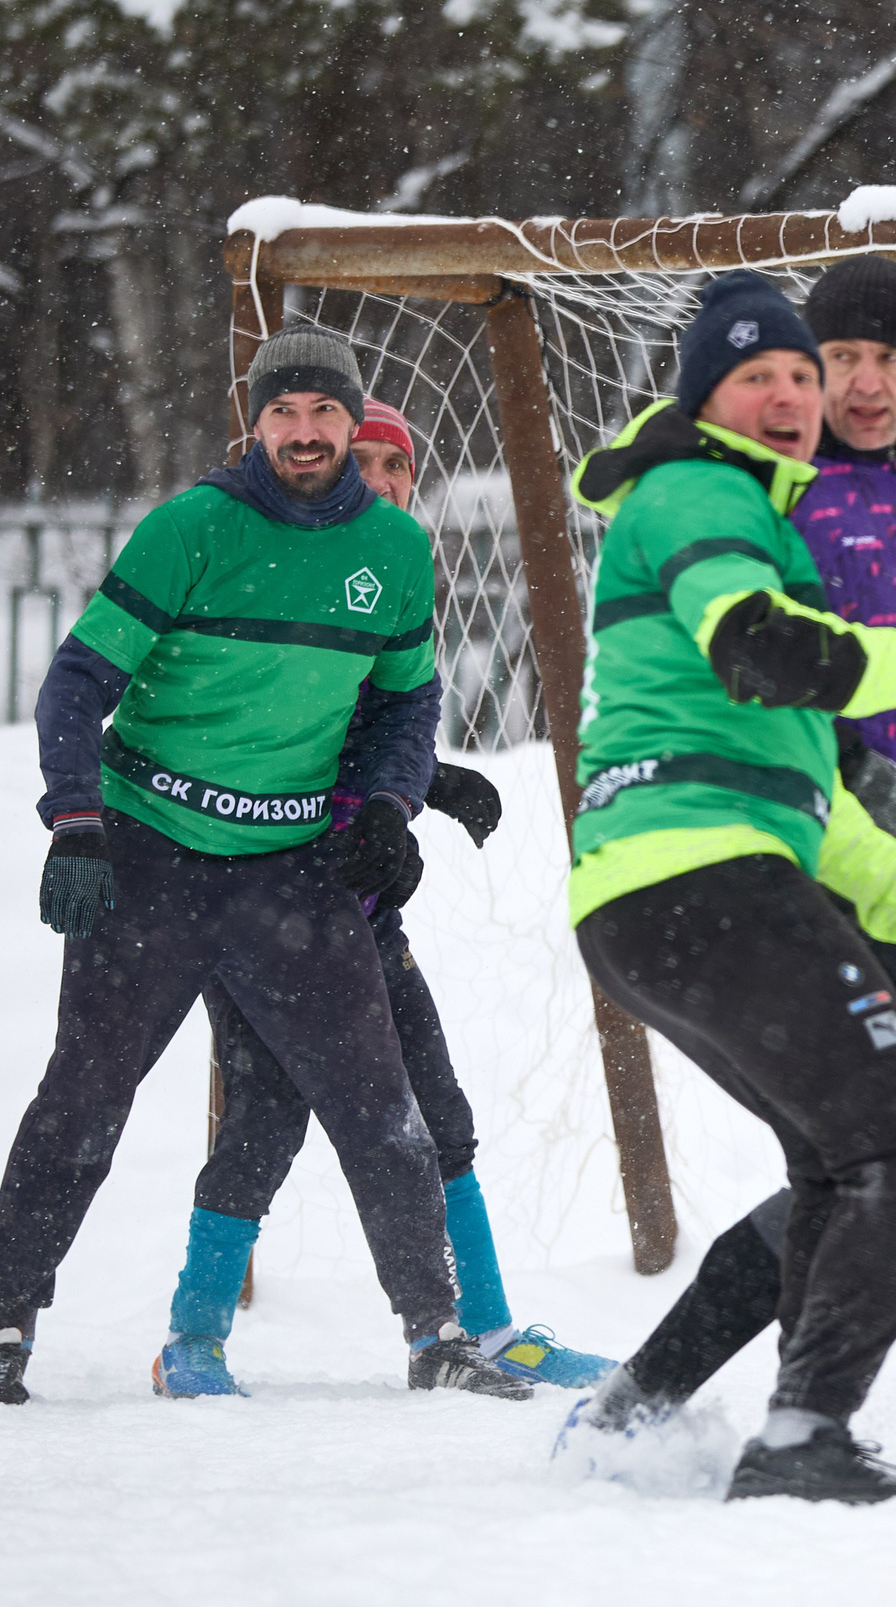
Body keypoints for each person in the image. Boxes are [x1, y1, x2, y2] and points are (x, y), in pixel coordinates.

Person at [572, 258, 896, 1430]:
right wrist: (863, 766)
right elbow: (767, 662)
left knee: (881, 1154)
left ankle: (649, 1407)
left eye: (884, 361)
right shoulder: (761, 493)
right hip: (791, 863)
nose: (856, 384)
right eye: (834, 361)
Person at [0, 328, 524, 1405]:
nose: (305, 433)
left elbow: (405, 699)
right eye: (284, 413)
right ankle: (4, 1324)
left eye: (324, 413)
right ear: (253, 420)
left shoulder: (396, 551)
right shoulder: (193, 527)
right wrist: (76, 820)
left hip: (289, 869)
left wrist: (396, 804)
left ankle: (437, 1331)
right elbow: (76, 683)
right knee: (84, 1096)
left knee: (378, 1102)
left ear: (354, 421)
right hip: (151, 854)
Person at [150, 395, 615, 1399]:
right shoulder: (287, 576)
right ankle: (191, 1337)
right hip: (261, 910)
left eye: (395, 464)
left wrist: (422, 785)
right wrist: (369, 809)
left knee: (439, 1112)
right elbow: (266, 744)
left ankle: (483, 1330)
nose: (380, 478)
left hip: (361, 914)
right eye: (358, 460)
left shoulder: (393, 577)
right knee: (263, 1122)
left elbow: (370, 728)